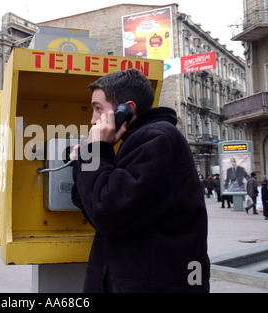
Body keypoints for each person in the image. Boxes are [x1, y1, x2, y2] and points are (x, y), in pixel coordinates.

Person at [70, 69, 210, 293]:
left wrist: (96, 152)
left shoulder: (156, 139)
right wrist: (87, 158)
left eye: (98, 109)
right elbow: (98, 211)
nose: (93, 119)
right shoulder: (139, 141)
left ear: (126, 110)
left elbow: (107, 209)